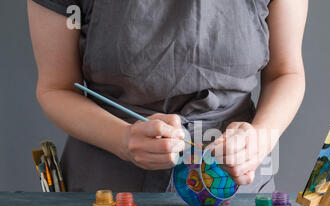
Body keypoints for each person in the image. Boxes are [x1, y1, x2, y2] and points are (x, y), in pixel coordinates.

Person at [28, 0, 307, 192]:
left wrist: (260, 138)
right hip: (105, 198)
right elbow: (57, 88)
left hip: (233, 188)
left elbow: (286, 73)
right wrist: (123, 139)